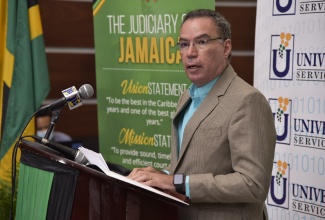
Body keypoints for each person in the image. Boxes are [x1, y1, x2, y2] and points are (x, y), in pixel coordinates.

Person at [128, 9, 276, 220]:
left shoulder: (247, 100)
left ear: (226, 47)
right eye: (184, 44)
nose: (190, 52)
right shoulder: (186, 97)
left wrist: (176, 183)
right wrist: (163, 177)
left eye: (202, 42)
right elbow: (194, 166)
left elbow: (252, 184)